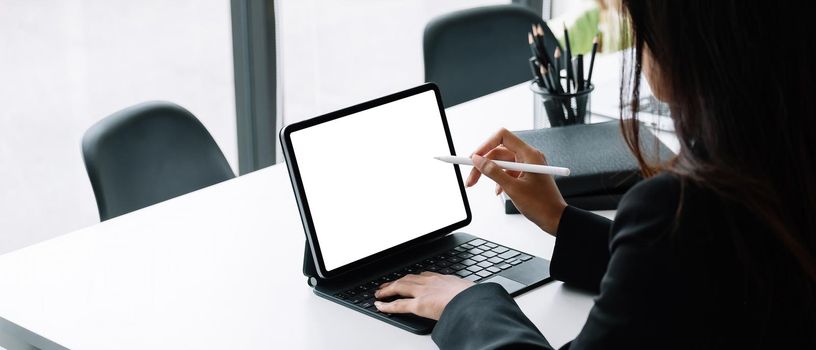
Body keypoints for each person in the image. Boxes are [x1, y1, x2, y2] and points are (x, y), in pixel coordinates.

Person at [374, 1, 816, 348]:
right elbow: (697, 273)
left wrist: (465, 303)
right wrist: (562, 220)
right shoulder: (780, 175)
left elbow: (683, 254)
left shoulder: (682, 209)